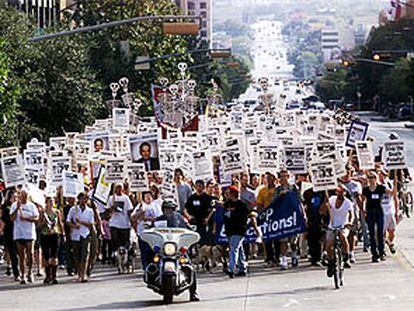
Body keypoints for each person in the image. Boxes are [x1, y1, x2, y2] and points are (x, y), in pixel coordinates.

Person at [155, 200, 199, 301]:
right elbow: (153, 229)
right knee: (153, 261)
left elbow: (188, 228)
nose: (168, 211)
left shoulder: (180, 218)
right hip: (164, 248)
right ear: (163, 209)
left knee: (189, 266)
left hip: (177, 248)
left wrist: (191, 230)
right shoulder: (159, 220)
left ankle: (193, 292)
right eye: (166, 209)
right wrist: (149, 229)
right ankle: (152, 277)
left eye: (170, 209)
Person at [362, 172, 395, 262]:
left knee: (380, 233)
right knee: (372, 234)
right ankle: (374, 254)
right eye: (369, 177)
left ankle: (381, 252)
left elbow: (392, 193)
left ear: (376, 178)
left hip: (379, 211)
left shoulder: (381, 188)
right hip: (370, 212)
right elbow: (363, 199)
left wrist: (395, 181)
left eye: (372, 177)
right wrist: (363, 210)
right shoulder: (365, 190)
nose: (371, 179)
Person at [10, 189, 40, 284]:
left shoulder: (31, 205)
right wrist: (16, 209)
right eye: (22, 196)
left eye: (25, 196)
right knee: (21, 255)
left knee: (30, 254)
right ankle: (22, 275)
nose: (23, 198)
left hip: (29, 233)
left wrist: (27, 218)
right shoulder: (14, 205)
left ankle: (30, 272)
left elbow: (37, 217)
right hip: (19, 233)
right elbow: (12, 218)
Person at [223, 186, 251, 278]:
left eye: (228, 193)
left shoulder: (242, 204)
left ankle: (231, 268)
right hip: (229, 230)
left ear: (233, 194)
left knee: (233, 248)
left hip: (239, 230)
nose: (226, 195)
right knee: (239, 248)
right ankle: (242, 268)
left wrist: (233, 215)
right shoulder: (227, 204)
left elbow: (245, 216)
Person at [325, 185, 354, 277]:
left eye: (342, 192)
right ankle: (330, 262)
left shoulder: (348, 203)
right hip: (332, 226)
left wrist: (349, 222)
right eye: (338, 191)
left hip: (343, 225)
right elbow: (322, 211)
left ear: (345, 192)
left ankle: (346, 256)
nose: (340, 194)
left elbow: (351, 215)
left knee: (342, 236)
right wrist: (326, 206)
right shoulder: (331, 199)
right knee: (329, 245)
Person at [66, 192, 95, 282]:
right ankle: (79, 273)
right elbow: (67, 221)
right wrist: (74, 226)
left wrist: (81, 222)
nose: (83, 200)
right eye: (81, 199)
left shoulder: (90, 211)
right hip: (75, 235)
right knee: (76, 255)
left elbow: (91, 223)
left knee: (85, 255)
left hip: (85, 234)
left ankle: (84, 274)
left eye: (85, 199)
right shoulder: (73, 210)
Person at [131, 191, 162, 269]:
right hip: (142, 233)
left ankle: (154, 266)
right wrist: (141, 212)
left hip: (154, 233)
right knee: (144, 251)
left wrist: (148, 218)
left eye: (149, 196)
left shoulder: (156, 205)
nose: (148, 198)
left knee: (153, 251)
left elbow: (159, 218)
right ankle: (146, 267)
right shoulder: (140, 206)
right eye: (146, 196)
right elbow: (133, 217)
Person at [340, 168, 365, 261]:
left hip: (352, 213)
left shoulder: (356, 184)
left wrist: (362, 210)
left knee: (352, 234)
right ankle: (343, 252)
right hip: (339, 214)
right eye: (344, 172)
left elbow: (358, 198)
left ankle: (351, 252)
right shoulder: (337, 184)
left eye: (349, 172)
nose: (346, 174)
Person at [39, 197, 64, 284]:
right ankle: (47, 276)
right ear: (46, 203)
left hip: (54, 234)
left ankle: (54, 276)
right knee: (46, 256)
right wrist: (43, 222)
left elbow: (60, 223)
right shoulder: (43, 212)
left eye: (52, 202)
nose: (51, 203)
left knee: (54, 256)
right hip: (45, 235)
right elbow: (39, 225)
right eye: (50, 202)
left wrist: (62, 233)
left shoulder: (57, 212)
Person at [257, 172, 278, 267]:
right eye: (268, 177)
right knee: (268, 238)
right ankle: (269, 258)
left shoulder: (278, 190)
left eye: (271, 177)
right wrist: (260, 216)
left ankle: (277, 257)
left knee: (277, 237)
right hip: (266, 217)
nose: (269, 179)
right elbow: (259, 204)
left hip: (277, 217)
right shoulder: (262, 191)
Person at [183, 180, 214, 246]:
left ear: (203, 187)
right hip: (193, 222)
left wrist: (207, 219)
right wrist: (188, 216)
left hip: (203, 223)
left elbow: (212, 210)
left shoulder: (207, 197)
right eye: (197, 186)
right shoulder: (192, 197)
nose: (198, 188)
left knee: (203, 240)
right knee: (193, 240)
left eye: (200, 186)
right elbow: (185, 209)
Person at [106, 183, 134, 256]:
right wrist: (112, 208)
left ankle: (124, 256)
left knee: (124, 242)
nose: (118, 189)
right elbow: (107, 210)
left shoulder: (126, 198)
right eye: (117, 187)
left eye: (120, 187)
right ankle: (114, 252)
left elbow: (129, 210)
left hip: (124, 223)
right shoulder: (111, 198)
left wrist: (131, 222)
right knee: (114, 239)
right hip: (114, 223)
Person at [303, 187, 326, 266]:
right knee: (313, 239)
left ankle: (324, 256)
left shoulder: (326, 192)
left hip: (324, 219)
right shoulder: (307, 193)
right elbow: (303, 205)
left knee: (323, 238)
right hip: (312, 219)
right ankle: (315, 258)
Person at [1, 190, 20, 281]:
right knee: (13, 254)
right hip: (10, 234)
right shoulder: (6, 209)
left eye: (17, 197)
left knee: (21, 254)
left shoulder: (22, 207)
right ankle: (17, 273)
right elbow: (5, 222)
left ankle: (23, 271)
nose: (15, 199)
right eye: (14, 197)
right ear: (9, 199)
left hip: (20, 232)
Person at [378, 170, 398, 254]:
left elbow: (394, 196)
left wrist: (397, 210)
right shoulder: (376, 185)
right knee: (381, 231)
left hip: (390, 210)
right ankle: (382, 247)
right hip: (381, 210)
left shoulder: (389, 183)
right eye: (381, 173)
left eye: (384, 174)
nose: (383, 175)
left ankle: (390, 242)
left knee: (392, 230)